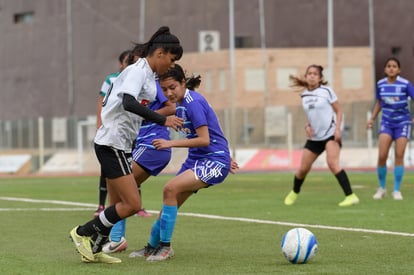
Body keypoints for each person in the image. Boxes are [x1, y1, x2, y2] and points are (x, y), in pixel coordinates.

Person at [69, 26, 184, 264]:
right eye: (171, 60)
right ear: (160, 53)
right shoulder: (137, 71)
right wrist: (163, 119)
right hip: (112, 143)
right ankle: (82, 233)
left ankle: (97, 247)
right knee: (132, 204)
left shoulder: (148, 75)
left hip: (120, 144)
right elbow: (129, 102)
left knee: (118, 202)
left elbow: (141, 106)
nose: (170, 66)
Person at [128, 64, 239, 262]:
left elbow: (205, 139)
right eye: (164, 89)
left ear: (182, 83)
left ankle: (165, 247)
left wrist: (171, 143)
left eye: (172, 87)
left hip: (212, 160)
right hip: (198, 159)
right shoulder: (179, 104)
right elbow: (213, 128)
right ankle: (152, 247)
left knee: (169, 189)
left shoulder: (192, 102)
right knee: (170, 203)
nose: (169, 93)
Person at [101, 44, 176, 253]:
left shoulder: (149, 81)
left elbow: (170, 107)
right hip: (141, 143)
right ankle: (116, 239)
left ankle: (116, 239)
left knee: (121, 190)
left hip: (152, 144)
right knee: (115, 187)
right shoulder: (136, 81)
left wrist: (145, 117)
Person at [283, 64, 359, 207]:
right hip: (315, 138)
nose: (312, 76)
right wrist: (307, 126)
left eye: (315, 74)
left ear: (320, 78)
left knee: (333, 164)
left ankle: (351, 196)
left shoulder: (327, 91)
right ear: (306, 77)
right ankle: (294, 192)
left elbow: (339, 111)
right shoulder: (304, 95)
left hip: (331, 134)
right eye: (309, 73)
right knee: (302, 169)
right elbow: (312, 116)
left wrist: (337, 129)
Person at [367, 57, 414, 200]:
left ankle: (396, 190)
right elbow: (379, 103)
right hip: (386, 123)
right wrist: (372, 119)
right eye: (389, 66)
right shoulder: (380, 84)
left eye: (394, 66)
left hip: (402, 123)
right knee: (382, 156)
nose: (391, 68)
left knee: (399, 156)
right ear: (385, 69)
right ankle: (381, 188)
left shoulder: (405, 84)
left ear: (399, 70)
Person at [94, 50, 131, 218]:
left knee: (131, 168)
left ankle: (130, 204)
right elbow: (102, 101)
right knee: (107, 170)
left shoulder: (136, 80)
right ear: (121, 64)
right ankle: (102, 205)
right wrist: (99, 123)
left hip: (128, 134)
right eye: (126, 62)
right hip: (111, 134)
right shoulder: (112, 79)